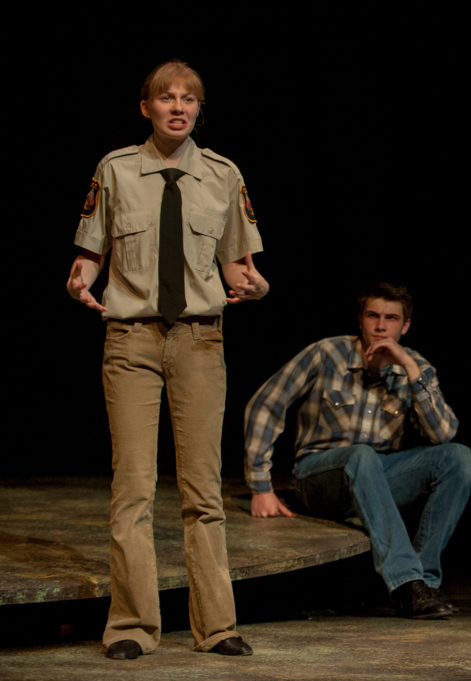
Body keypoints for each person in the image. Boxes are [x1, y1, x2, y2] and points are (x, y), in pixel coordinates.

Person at [66, 60, 267, 659]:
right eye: (165, 98)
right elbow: (89, 251)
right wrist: (80, 280)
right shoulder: (117, 170)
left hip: (200, 342)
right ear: (146, 107)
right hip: (131, 341)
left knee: (203, 491)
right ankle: (131, 627)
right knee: (132, 490)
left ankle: (216, 626)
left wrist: (257, 288)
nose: (177, 107)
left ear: (199, 110)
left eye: (188, 99)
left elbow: (239, 270)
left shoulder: (223, 176)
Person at [244, 282, 471, 619]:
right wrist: (260, 486)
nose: (381, 326)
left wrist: (410, 371)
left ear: (405, 326)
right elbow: (265, 404)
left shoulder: (416, 367)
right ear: (361, 320)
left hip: (377, 478)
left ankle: (422, 585)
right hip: (320, 478)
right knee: (360, 455)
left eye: (392, 318)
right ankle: (405, 582)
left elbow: (443, 434)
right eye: (373, 316)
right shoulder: (327, 353)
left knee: (459, 458)